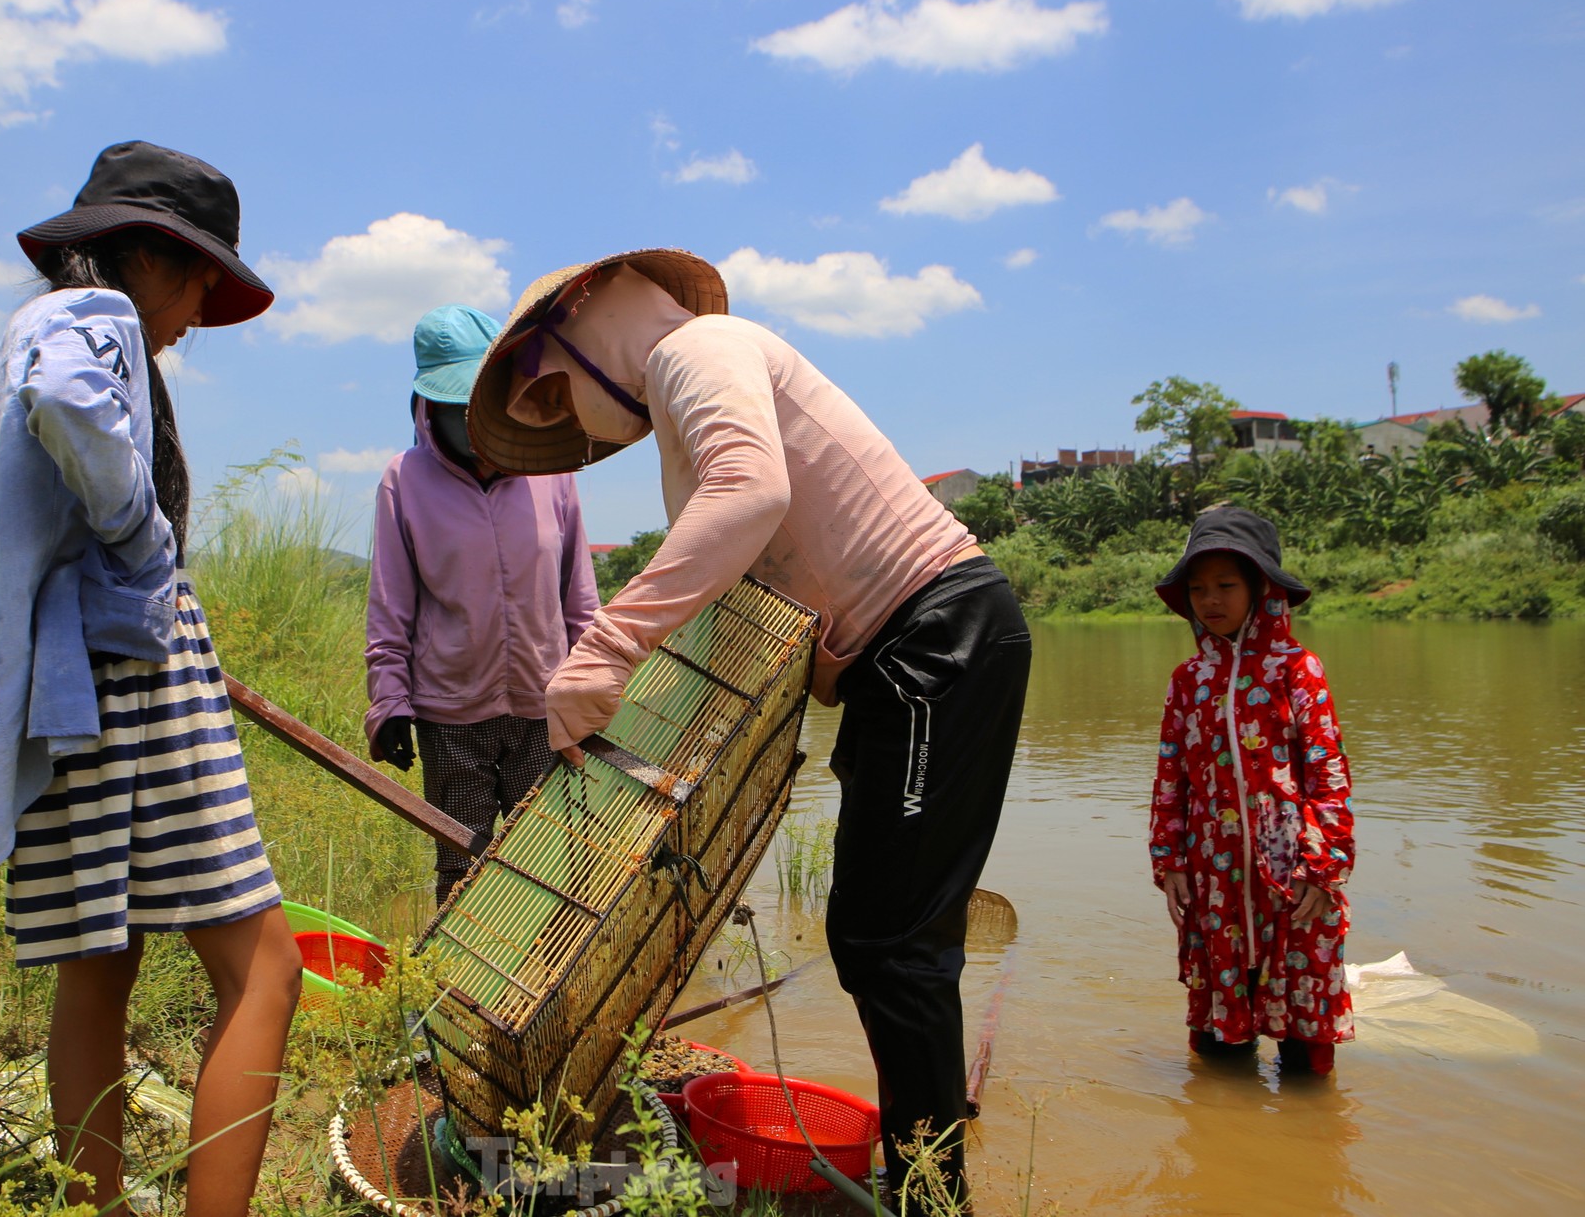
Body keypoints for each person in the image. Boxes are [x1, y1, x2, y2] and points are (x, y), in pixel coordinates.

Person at [464, 250, 1030, 1201]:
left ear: (584, 309)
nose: (562, 411)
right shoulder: (693, 387)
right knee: (871, 937)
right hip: (894, 664)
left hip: (943, 641)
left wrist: (604, 649)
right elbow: (751, 579)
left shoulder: (702, 347)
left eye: (548, 387)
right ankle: (923, 1172)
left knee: (894, 946)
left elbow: (751, 494)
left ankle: (934, 1194)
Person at [0, 141, 303, 1215]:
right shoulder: (88, 320)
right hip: (132, 659)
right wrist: (142, 539)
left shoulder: (28, 328)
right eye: (198, 278)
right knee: (264, 969)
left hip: (62, 684)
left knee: (98, 964)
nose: (198, 309)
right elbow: (69, 399)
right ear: (147, 256)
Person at [365, 304, 599, 904]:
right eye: (457, 411)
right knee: (463, 870)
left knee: (555, 870)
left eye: (484, 404)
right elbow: (391, 607)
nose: (476, 425)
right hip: (451, 718)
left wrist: (593, 683)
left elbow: (580, 596)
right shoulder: (404, 481)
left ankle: (557, 993)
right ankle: (465, 996)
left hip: (544, 710)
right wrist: (389, 702)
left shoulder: (553, 472)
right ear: (428, 410)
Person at [1149, 506, 1355, 1076]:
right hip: (1214, 874)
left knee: (1304, 1040)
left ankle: (1310, 1143)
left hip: (1293, 875)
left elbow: (1328, 773)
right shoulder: (1189, 681)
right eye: (1197, 589)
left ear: (1261, 588)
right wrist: (1170, 863)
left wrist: (1325, 862)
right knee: (1219, 1046)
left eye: (1225, 585)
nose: (1210, 600)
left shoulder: (1297, 670)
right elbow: (1171, 780)